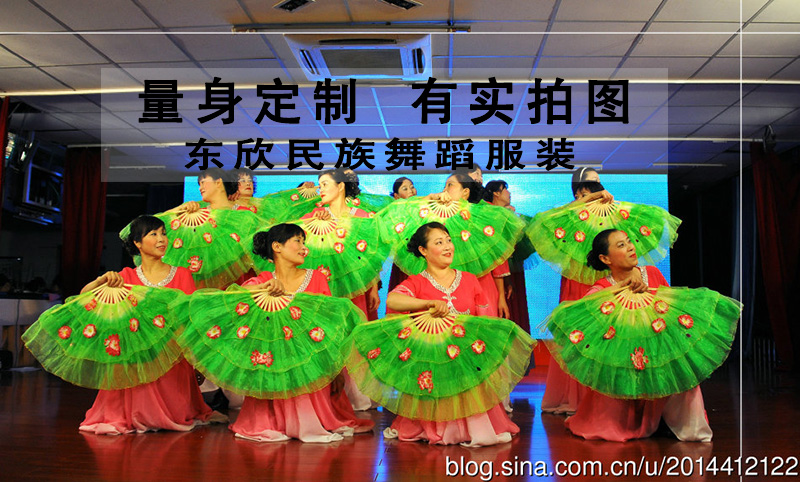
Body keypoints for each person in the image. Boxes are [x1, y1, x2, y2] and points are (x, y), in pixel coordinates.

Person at [349, 222, 530, 446]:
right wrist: (427, 304)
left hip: (466, 357)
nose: (447, 247)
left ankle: (470, 425)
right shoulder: (416, 282)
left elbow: (485, 321)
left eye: (448, 240)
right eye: (438, 242)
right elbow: (394, 299)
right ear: (423, 251)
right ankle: (436, 426)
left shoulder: (469, 279)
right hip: (432, 358)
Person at [562, 229, 713, 442]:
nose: (631, 247)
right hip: (625, 356)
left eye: (629, 242)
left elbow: (671, 309)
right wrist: (616, 294)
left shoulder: (651, 273)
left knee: (682, 372)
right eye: (621, 245)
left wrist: (649, 292)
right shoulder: (602, 288)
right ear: (605, 259)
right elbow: (579, 318)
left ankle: (683, 425)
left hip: (657, 347)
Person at [228, 224, 374, 442]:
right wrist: (265, 288)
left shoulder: (315, 277)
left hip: (310, 357)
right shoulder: (263, 279)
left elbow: (330, 323)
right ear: (277, 247)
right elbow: (236, 295)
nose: (303, 247)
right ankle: (275, 421)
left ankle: (306, 421)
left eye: (303, 242)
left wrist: (335, 368)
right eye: (297, 241)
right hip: (274, 359)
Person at [79, 215, 224, 434]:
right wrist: (100, 281)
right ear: (137, 243)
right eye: (153, 234)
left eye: (164, 234)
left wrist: (197, 362)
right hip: (138, 353)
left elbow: (190, 320)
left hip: (172, 353)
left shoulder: (183, 274)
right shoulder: (126, 276)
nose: (161, 239)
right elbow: (84, 296)